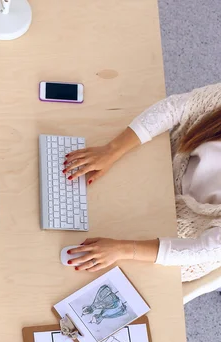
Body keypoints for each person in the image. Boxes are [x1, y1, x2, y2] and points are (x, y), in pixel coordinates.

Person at [63, 83, 221, 281]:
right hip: (161, 167)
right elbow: (174, 108)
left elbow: (201, 250)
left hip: (179, 238)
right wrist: (111, 151)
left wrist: (122, 249)